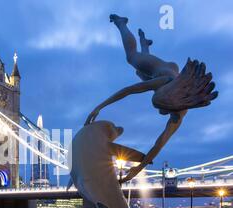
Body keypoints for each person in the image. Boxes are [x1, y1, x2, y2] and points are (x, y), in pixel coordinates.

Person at [87, 14, 218, 183]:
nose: (160, 112)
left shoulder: (180, 113)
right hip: (162, 69)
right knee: (132, 58)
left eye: (161, 109)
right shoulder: (164, 81)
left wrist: (138, 168)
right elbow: (129, 90)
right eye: (160, 108)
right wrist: (99, 107)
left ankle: (145, 44)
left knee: (141, 74)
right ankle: (122, 23)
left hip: (170, 73)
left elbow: (159, 144)